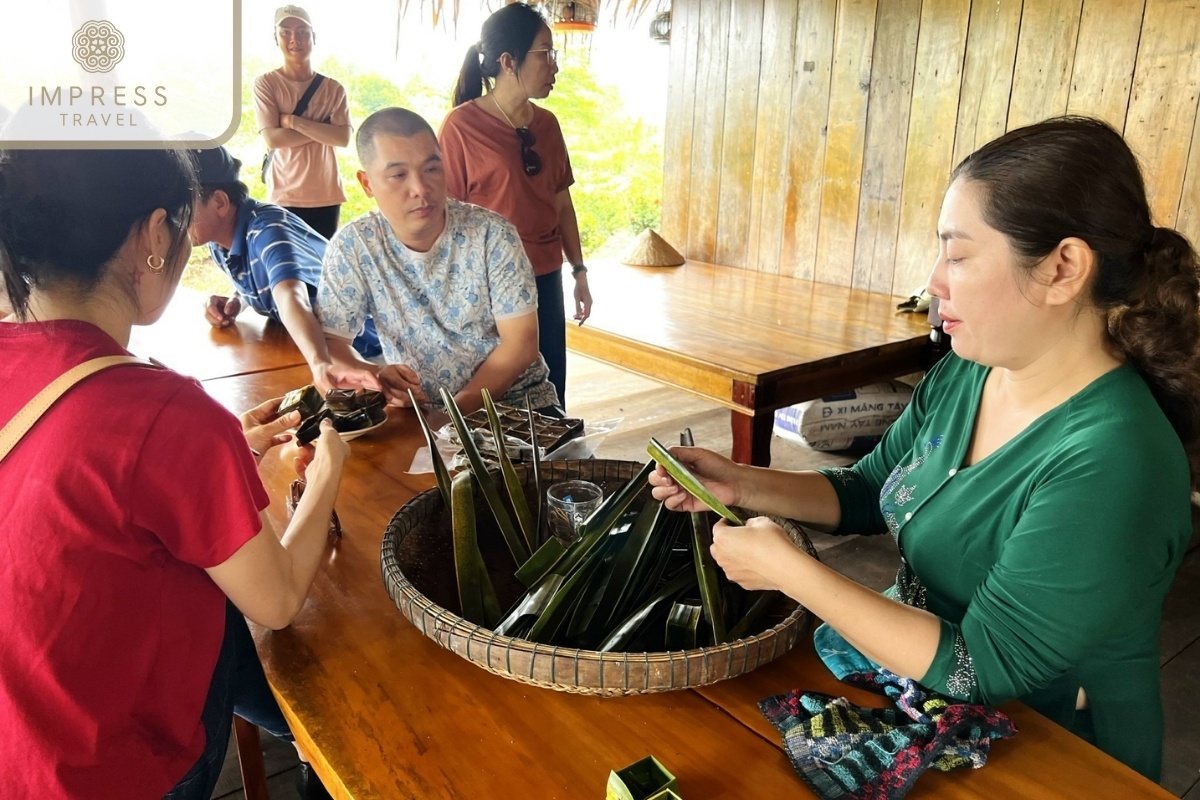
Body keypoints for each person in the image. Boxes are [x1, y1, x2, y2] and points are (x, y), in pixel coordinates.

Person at [650, 117, 1200, 782]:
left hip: (1048, 748)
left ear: (1063, 268)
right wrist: (741, 483)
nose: (935, 281)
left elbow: (984, 666)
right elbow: (873, 491)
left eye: (959, 255)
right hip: (918, 694)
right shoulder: (973, 369)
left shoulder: (1113, 460)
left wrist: (793, 572)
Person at [0, 148, 346, 799]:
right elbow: (275, 599)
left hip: (19, 744)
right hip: (115, 766)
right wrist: (326, 475)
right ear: (153, 234)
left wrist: (220, 455)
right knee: (279, 654)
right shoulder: (165, 410)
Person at [309, 107, 559, 423]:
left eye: (431, 169)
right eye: (398, 175)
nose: (420, 189)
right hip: (418, 414)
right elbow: (332, 339)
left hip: (517, 406)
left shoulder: (491, 234)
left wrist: (457, 412)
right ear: (367, 184)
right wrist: (373, 374)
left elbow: (521, 344)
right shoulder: (354, 246)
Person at [442, 2, 592, 407]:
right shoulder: (461, 127)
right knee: (499, 394)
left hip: (545, 275)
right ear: (509, 61)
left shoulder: (547, 125)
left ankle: (556, 468)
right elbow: (447, 220)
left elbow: (562, 203)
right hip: (490, 288)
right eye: (546, 54)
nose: (555, 67)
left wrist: (578, 271)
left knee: (550, 391)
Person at [190, 145, 381, 368]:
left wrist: (320, 364)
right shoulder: (219, 241)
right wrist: (239, 299)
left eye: (180, 208)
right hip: (317, 351)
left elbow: (290, 294)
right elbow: (268, 277)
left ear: (219, 202)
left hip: (366, 351)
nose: (170, 219)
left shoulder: (267, 230)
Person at [254, 5, 351, 239]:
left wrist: (293, 122)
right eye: (285, 32)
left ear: (313, 37)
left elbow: (343, 138)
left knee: (323, 269)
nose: (294, 38)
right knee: (290, 270)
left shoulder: (333, 89)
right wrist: (325, 130)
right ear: (275, 38)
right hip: (285, 196)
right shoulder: (267, 84)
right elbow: (273, 139)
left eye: (302, 31)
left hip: (327, 195)